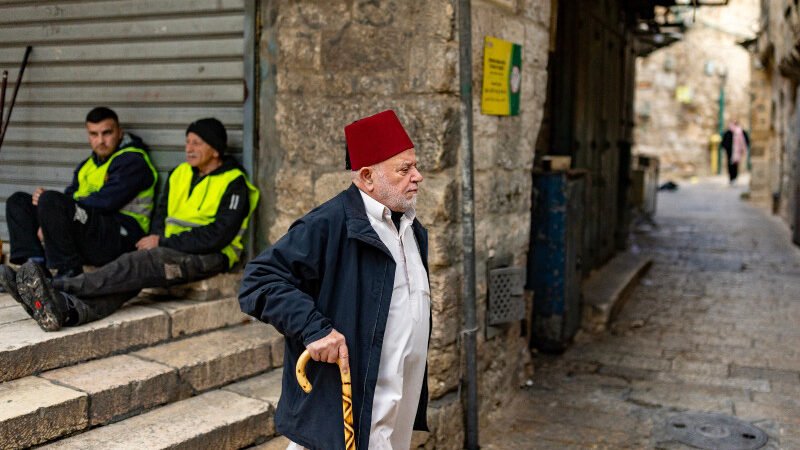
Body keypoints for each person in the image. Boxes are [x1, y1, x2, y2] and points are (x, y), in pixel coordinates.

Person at [239, 110, 431, 450]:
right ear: (368, 176)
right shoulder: (327, 223)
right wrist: (314, 328)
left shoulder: (412, 228)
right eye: (405, 169)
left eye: (415, 166)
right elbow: (259, 281)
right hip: (350, 396)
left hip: (397, 396)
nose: (417, 177)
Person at [2, 118, 259, 332]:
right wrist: (157, 236)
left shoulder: (235, 183)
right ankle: (67, 310)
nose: (188, 148)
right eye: (187, 141)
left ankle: (54, 286)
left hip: (210, 257)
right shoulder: (180, 173)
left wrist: (162, 242)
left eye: (197, 143)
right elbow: (161, 215)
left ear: (215, 149)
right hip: (172, 249)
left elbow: (219, 236)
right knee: (129, 280)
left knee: (135, 264)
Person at [4, 106, 157, 278]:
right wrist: (46, 210)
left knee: (51, 201)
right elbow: (68, 197)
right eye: (94, 134)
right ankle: (34, 268)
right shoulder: (87, 165)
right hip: (90, 229)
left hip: (120, 236)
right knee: (19, 202)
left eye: (107, 133)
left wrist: (53, 207)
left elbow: (106, 202)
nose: (100, 140)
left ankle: (68, 271)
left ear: (120, 133)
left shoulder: (133, 161)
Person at [720, 120, 750, 185]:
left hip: (737, 152)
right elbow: (724, 141)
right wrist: (727, 147)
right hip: (730, 152)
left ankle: (735, 178)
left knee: (736, 165)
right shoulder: (728, 132)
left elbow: (746, 141)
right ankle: (731, 178)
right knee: (730, 165)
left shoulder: (741, 132)